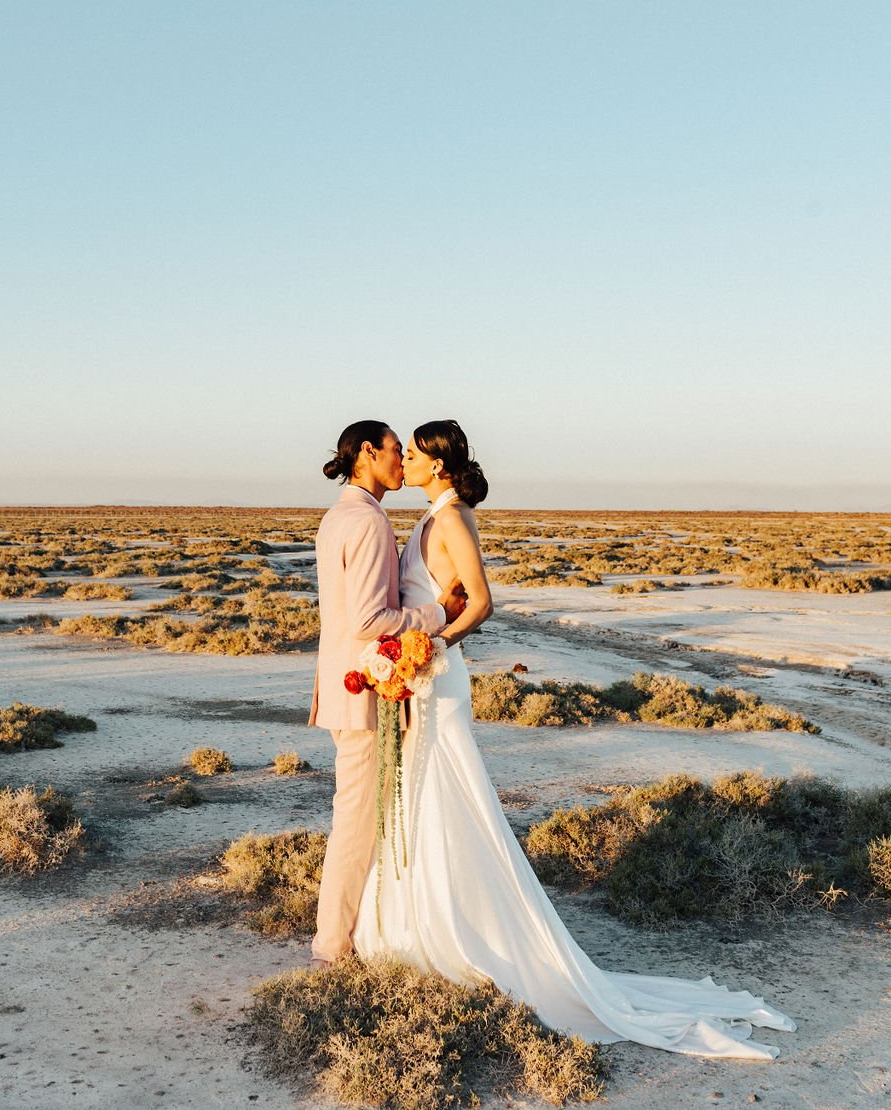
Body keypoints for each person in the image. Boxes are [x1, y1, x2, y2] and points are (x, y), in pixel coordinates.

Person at [352, 419, 796, 1061]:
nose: (409, 463)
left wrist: (432, 644)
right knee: (416, 798)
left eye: (416, 455)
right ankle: (418, 925)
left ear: (439, 466)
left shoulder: (452, 520)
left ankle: (457, 935)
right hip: (415, 676)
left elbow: (481, 601)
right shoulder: (428, 519)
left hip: (437, 677)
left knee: (447, 798)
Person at [309, 419, 467, 966]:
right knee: (355, 819)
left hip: (340, 685)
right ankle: (332, 944)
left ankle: (362, 930)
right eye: (397, 451)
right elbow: (371, 619)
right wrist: (438, 613)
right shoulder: (369, 522)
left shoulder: (338, 515)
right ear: (369, 453)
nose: (403, 461)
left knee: (357, 812)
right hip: (363, 690)